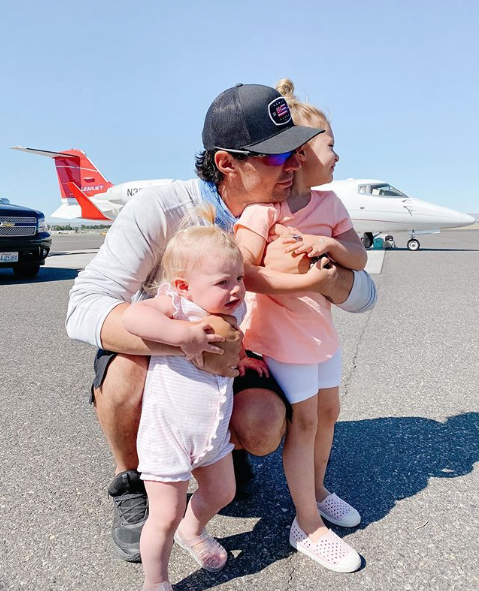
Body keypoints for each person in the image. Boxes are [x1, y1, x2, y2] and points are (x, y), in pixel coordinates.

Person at [66, 82, 377, 563]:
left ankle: (219, 448)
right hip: (167, 342)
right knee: (125, 371)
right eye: (276, 157)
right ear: (228, 163)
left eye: (294, 152)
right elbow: (84, 304)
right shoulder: (162, 209)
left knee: (265, 425)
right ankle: (132, 482)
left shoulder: (295, 210)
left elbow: (364, 297)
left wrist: (323, 278)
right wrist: (186, 341)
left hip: (248, 353)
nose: (293, 164)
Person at [233, 78, 368, 572]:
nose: (338, 156)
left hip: (321, 335)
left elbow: (359, 254)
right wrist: (301, 279)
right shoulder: (262, 211)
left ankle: (317, 489)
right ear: (303, 151)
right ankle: (306, 523)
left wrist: (330, 248)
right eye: (331, 145)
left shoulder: (329, 207)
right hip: (283, 339)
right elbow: (242, 269)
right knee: (305, 423)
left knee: (329, 414)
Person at [121, 209, 268, 591]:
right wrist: (180, 333)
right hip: (169, 436)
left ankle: (194, 528)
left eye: (239, 278)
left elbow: (231, 342)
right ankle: (156, 582)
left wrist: (244, 356)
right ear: (184, 286)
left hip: (211, 435)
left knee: (223, 492)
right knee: (163, 515)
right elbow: (134, 317)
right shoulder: (177, 306)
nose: (236, 288)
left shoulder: (229, 311)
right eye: (224, 281)